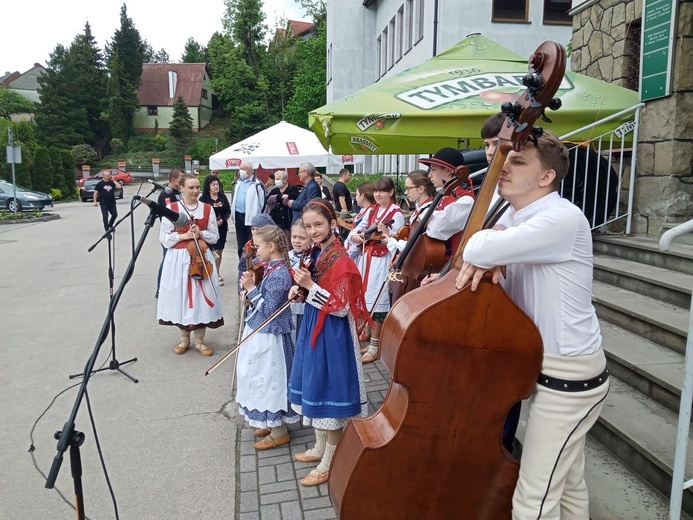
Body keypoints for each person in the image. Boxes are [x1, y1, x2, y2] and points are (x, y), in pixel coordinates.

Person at [455, 132, 609, 519]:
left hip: (568, 379)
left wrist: (491, 247)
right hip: (543, 368)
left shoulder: (561, 217)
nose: (502, 165)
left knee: (532, 501)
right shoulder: (515, 216)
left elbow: (473, 246)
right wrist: (496, 242)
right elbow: (484, 243)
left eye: (518, 161)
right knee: (569, 483)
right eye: (506, 157)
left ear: (546, 177)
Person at [288, 199, 371, 487]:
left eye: (318, 225)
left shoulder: (342, 260)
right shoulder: (318, 252)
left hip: (333, 333)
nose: (312, 231)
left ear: (333, 224)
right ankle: (320, 448)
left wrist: (310, 287)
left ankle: (330, 461)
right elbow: (317, 291)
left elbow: (341, 307)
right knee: (316, 384)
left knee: (329, 389)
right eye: (308, 225)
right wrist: (300, 291)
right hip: (317, 324)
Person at [236, 225, 299, 450]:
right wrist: (249, 295)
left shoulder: (280, 273)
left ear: (271, 247)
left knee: (271, 378)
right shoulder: (271, 267)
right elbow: (262, 301)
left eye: (258, 246)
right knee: (258, 376)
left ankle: (279, 429)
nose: (255, 250)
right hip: (261, 331)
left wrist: (252, 289)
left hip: (271, 336)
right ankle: (267, 419)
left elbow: (271, 310)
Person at [157, 174, 224, 356]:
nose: (195, 191)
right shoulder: (172, 208)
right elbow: (163, 237)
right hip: (178, 259)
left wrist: (200, 233)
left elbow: (214, 236)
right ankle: (184, 339)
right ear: (182, 189)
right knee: (182, 297)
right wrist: (182, 236)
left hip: (201, 258)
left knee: (202, 297)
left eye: (197, 187)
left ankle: (200, 341)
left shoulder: (207, 209)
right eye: (191, 187)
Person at [348, 176, 405, 364]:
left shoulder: (395, 213)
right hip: (368, 258)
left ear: (391, 192)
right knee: (367, 298)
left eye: (382, 190)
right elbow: (358, 230)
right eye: (376, 191)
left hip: (382, 261)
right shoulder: (372, 209)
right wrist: (357, 237)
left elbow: (395, 241)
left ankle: (375, 346)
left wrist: (385, 235)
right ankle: (372, 339)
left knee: (378, 300)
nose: (378, 194)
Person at [385, 170, 436, 255]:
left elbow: (416, 245)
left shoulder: (428, 211)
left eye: (408, 188)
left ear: (421, 189)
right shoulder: (420, 209)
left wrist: (392, 241)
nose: (405, 192)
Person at [156, 168, 185, 298]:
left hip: (181, 232)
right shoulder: (166, 195)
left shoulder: (179, 192)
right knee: (166, 260)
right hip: (171, 233)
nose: (182, 182)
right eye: (180, 180)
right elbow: (167, 216)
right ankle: (160, 288)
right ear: (173, 180)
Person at [199, 175, 231, 286]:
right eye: (213, 184)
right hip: (208, 228)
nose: (216, 186)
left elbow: (228, 211)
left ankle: (216, 272)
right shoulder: (203, 199)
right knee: (209, 250)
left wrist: (223, 220)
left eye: (217, 184)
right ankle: (207, 270)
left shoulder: (222, 197)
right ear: (208, 186)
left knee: (219, 251)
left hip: (221, 227)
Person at [231, 161, 266, 258]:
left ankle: (252, 265)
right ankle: (242, 264)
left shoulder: (257, 184)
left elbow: (263, 203)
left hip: (251, 218)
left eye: (242, 169)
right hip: (238, 216)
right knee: (241, 244)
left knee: (252, 243)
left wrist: (257, 217)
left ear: (250, 170)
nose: (240, 171)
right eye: (239, 169)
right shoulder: (238, 182)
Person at [288, 218, 312, 346]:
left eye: (302, 238)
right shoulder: (287, 256)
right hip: (288, 307)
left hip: (303, 308)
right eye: (294, 237)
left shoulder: (311, 259)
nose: (297, 241)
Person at [345, 182, 375, 263]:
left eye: (357, 195)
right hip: (354, 250)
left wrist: (351, 236)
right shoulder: (364, 210)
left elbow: (359, 233)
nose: (355, 197)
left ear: (362, 196)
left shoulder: (370, 211)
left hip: (357, 253)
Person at [267, 170, 300, 238]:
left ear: (285, 180)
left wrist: (278, 199)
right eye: (275, 179)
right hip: (276, 222)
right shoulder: (274, 190)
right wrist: (280, 197)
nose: (276, 181)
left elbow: (292, 198)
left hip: (289, 221)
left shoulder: (292, 188)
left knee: (289, 240)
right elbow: (268, 200)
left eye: (278, 179)